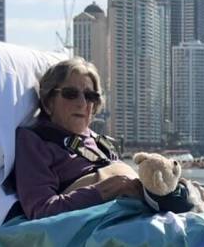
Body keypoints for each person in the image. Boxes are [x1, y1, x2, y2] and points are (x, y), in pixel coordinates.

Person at [12, 58, 142, 220]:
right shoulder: (35, 142)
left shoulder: (100, 142)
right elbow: (41, 210)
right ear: (48, 102)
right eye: (70, 94)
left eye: (90, 96)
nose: (82, 103)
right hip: (102, 231)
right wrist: (103, 191)